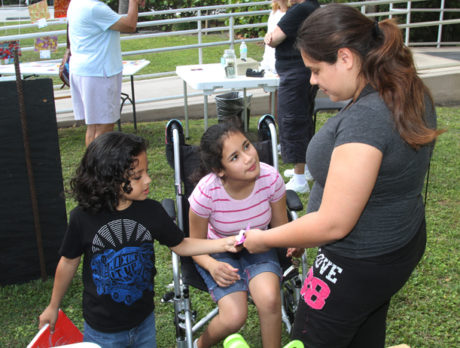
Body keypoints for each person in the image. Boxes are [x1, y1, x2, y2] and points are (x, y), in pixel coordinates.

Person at [243, 4, 444, 347]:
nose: (313, 81)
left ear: (346, 58)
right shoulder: (403, 86)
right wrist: (303, 228)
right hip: (397, 243)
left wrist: (261, 239)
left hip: (357, 259)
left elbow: (335, 223)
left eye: (317, 70)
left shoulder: (367, 119)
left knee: (308, 339)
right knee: (363, 333)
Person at [38, 132, 241, 348]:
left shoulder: (151, 211)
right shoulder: (83, 218)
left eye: (147, 172)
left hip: (144, 321)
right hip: (101, 330)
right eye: (137, 176)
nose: (148, 180)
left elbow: (181, 244)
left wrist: (223, 243)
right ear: (109, 179)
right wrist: (53, 306)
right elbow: (69, 262)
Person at [189, 123, 302, 348]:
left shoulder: (270, 179)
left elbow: (281, 226)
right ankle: (200, 344)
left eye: (247, 146)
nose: (248, 158)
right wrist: (211, 265)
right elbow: (194, 244)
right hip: (217, 250)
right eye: (234, 157)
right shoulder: (206, 193)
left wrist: (293, 243)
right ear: (219, 170)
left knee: (270, 298)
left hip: (259, 245)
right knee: (234, 316)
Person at [67, 0, 142, 147]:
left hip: (87, 71)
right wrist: (134, 2)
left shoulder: (77, 3)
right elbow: (130, 24)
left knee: (93, 127)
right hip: (99, 73)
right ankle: (98, 167)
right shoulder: (95, 8)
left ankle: (91, 167)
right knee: (104, 127)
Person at [264, 0, 320, 194]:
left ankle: (299, 180)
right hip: (303, 73)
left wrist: (268, 37)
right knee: (303, 121)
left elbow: (274, 39)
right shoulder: (313, 7)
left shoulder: (300, 9)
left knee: (292, 122)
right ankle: (307, 170)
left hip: (294, 75)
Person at [260, 0, 290, 75]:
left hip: (284, 67)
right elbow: (269, 36)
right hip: (269, 64)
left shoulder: (292, 14)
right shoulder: (274, 12)